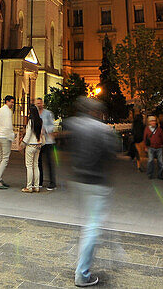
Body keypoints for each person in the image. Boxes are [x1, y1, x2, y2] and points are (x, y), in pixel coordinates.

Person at [68, 97, 118, 287]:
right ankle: (82, 274)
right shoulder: (103, 129)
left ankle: (84, 260)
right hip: (97, 182)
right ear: (96, 112)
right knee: (92, 226)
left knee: (88, 223)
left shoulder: (74, 124)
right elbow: (110, 156)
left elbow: (68, 151)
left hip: (80, 180)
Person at [19, 104, 45, 193]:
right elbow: (42, 133)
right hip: (38, 145)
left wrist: (22, 145)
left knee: (29, 166)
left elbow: (28, 134)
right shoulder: (40, 121)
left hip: (30, 145)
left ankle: (29, 186)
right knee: (36, 165)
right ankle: (37, 186)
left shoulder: (31, 122)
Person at [0, 95, 15, 189]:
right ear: (7, 101)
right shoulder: (8, 111)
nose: (12, 104)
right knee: (5, 158)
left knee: (0, 158)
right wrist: (12, 136)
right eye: (11, 102)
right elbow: (9, 126)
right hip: (5, 136)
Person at [36, 97, 58, 190]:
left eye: (40, 103)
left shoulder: (48, 113)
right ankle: (39, 181)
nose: (38, 105)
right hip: (39, 141)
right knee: (38, 161)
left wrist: (44, 129)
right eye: (37, 103)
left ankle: (52, 182)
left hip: (48, 141)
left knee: (49, 162)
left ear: (43, 104)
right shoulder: (35, 114)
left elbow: (52, 125)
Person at [143, 115, 163, 180]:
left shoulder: (159, 129)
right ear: (149, 122)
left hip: (159, 147)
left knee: (160, 162)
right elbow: (144, 139)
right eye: (152, 121)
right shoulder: (147, 129)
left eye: (154, 121)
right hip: (150, 147)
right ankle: (150, 174)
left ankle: (160, 175)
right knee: (150, 161)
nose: (153, 122)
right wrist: (145, 147)